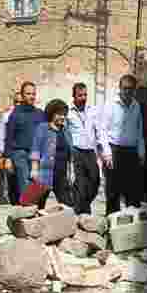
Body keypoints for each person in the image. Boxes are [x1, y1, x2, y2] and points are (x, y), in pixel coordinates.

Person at [97, 74, 144, 215]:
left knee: (133, 191)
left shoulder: (136, 106)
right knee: (113, 192)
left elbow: (139, 131)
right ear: (120, 88)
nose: (128, 91)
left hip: (131, 152)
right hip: (114, 151)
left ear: (134, 90)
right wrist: (106, 152)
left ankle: (131, 225)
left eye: (131, 89)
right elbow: (102, 130)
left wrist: (141, 152)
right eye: (125, 88)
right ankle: (111, 224)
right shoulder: (111, 105)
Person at [3, 81, 45, 203]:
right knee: (25, 185)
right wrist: (8, 158)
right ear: (22, 95)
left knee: (36, 185)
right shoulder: (15, 114)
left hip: (36, 156)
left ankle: (34, 212)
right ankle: (27, 213)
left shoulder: (40, 114)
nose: (31, 96)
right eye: (28, 94)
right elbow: (9, 137)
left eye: (33, 94)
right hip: (20, 154)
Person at [29, 99, 74, 210]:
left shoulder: (66, 131)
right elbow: (35, 149)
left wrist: (72, 171)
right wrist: (34, 170)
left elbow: (71, 153)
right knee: (35, 205)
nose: (62, 117)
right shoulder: (42, 128)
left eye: (64, 114)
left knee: (68, 205)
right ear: (51, 114)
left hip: (61, 174)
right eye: (59, 114)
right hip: (44, 173)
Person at [66, 82, 100, 215]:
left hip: (91, 151)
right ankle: (81, 213)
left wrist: (103, 150)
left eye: (85, 95)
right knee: (80, 184)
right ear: (74, 96)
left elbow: (99, 130)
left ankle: (83, 205)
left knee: (95, 181)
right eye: (80, 95)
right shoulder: (68, 113)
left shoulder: (93, 110)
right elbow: (66, 133)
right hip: (77, 151)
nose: (84, 98)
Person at [0, 86, 24, 205]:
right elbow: (0, 135)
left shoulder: (27, 115)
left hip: (23, 153)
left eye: (20, 102)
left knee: (22, 179)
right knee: (10, 180)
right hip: (9, 153)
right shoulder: (6, 116)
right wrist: (0, 155)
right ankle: (12, 202)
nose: (18, 104)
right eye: (16, 102)